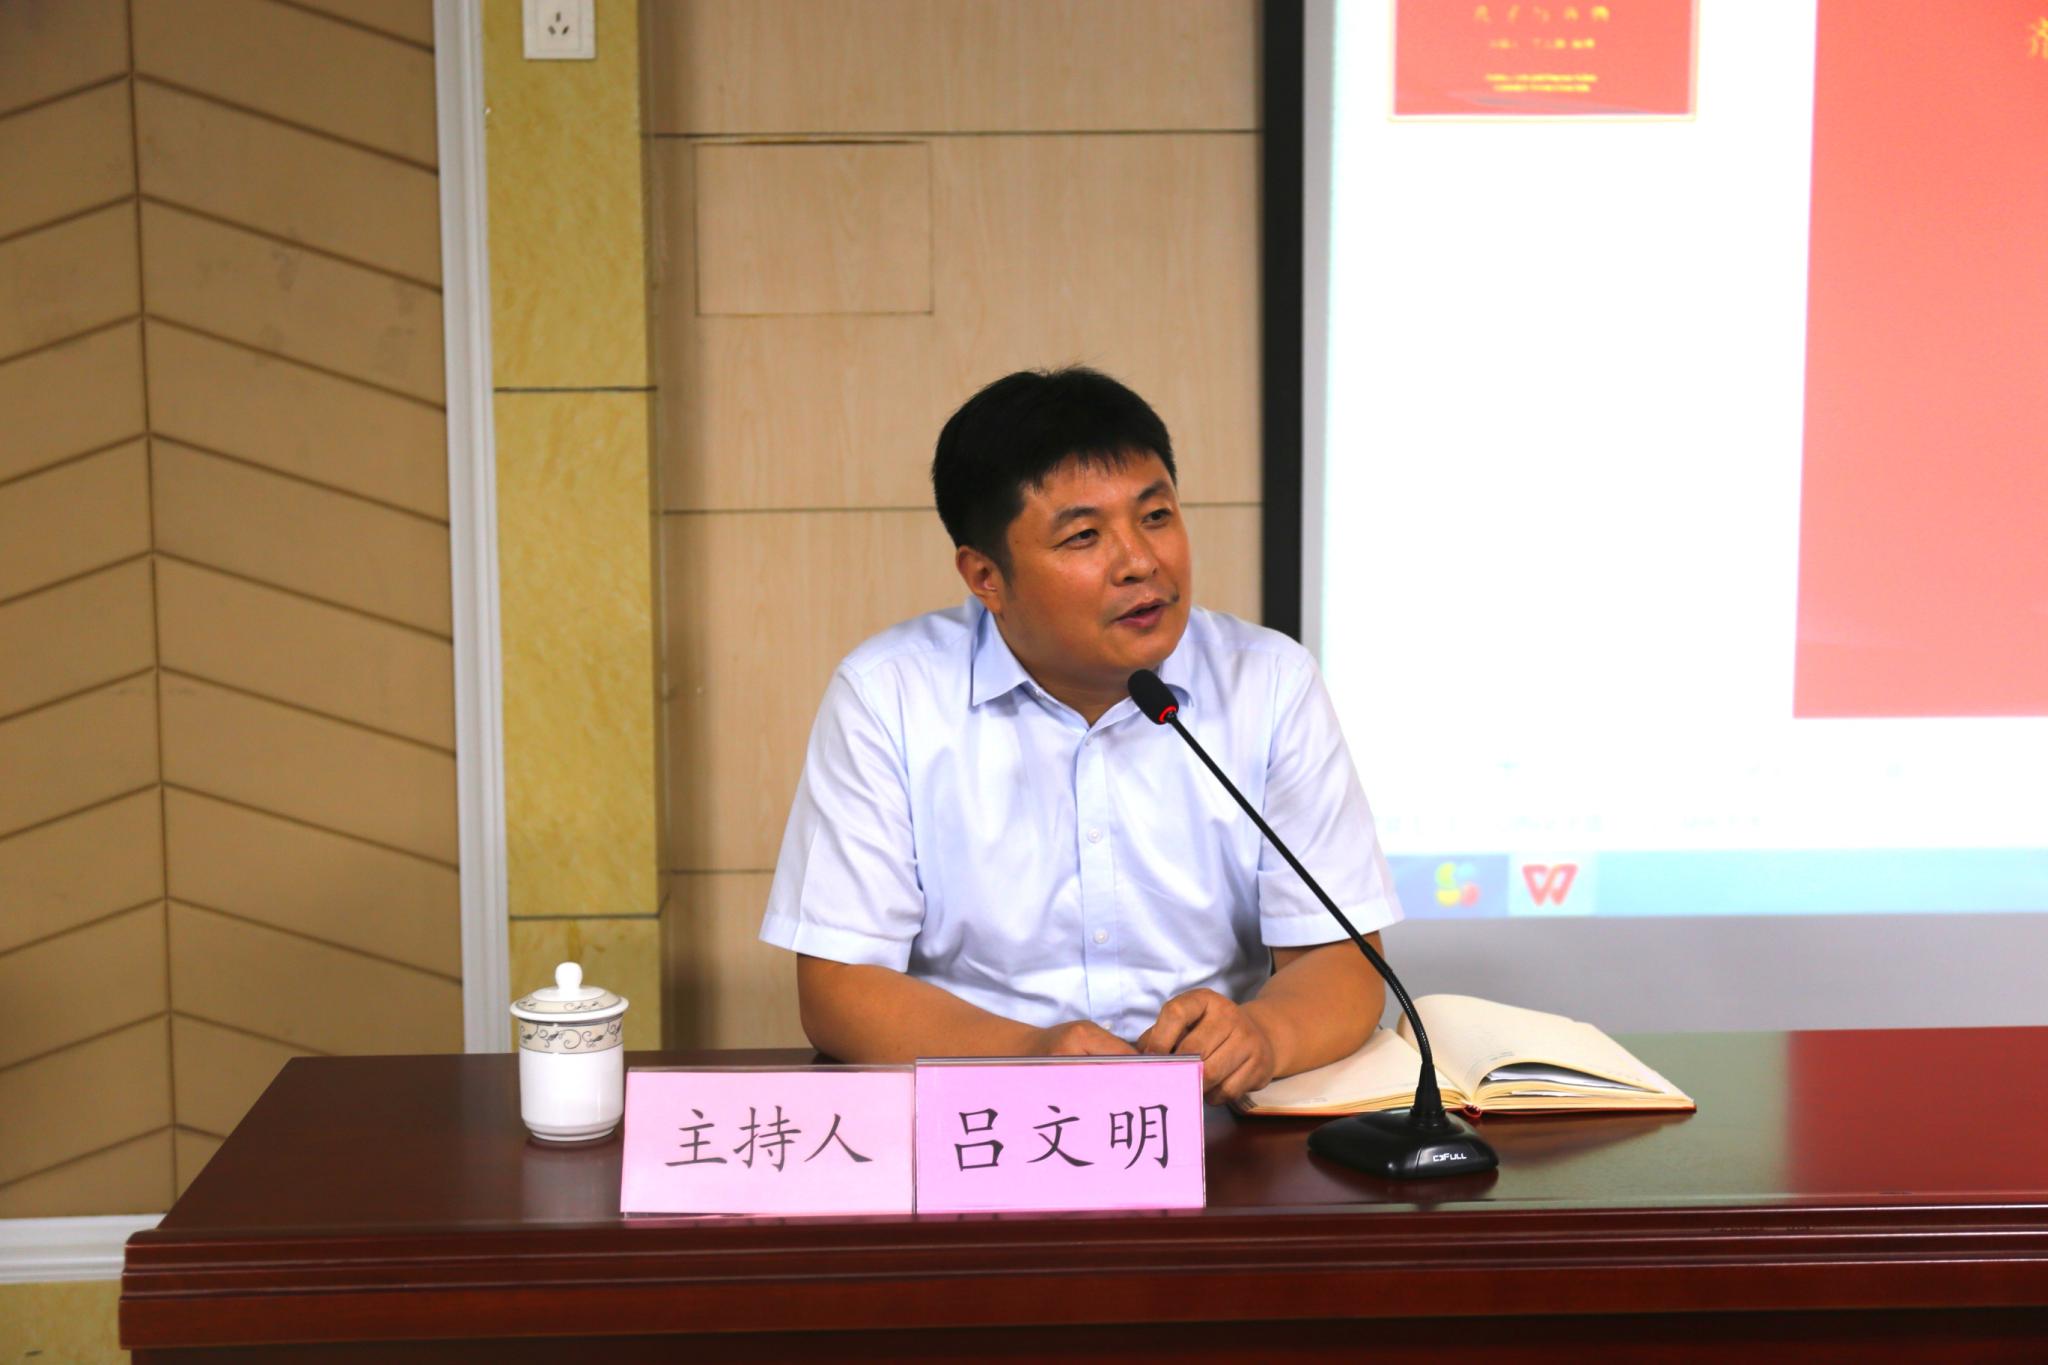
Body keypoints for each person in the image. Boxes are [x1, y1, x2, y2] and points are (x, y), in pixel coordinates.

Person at [757, 368, 1401, 1103]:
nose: (1141, 561)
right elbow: (840, 987)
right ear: (985, 576)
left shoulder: (1269, 681)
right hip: (984, 1117)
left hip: (1215, 1116)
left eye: (1156, 516)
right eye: (1085, 536)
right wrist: (1028, 1055)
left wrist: (1263, 1034)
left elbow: (1341, 959)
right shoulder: (888, 696)